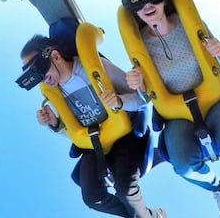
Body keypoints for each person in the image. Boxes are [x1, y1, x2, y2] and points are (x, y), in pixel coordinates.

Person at [122, 0, 220, 217]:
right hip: (176, 112)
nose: (147, 6)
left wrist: (217, 51)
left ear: (163, 0)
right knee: (184, 165)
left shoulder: (188, 23)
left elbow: (219, 59)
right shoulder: (140, 45)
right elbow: (147, 97)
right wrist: (138, 85)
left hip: (214, 98)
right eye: (138, 2)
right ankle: (217, 188)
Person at [18, 34, 166, 218]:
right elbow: (72, 133)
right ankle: (147, 216)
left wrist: (120, 101)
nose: (41, 79)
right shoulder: (54, 97)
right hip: (95, 145)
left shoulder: (96, 68)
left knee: (126, 191)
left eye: (38, 69)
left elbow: (141, 99)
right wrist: (54, 124)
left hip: (123, 137)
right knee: (92, 197)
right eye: (32, 75)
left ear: (55, 56)